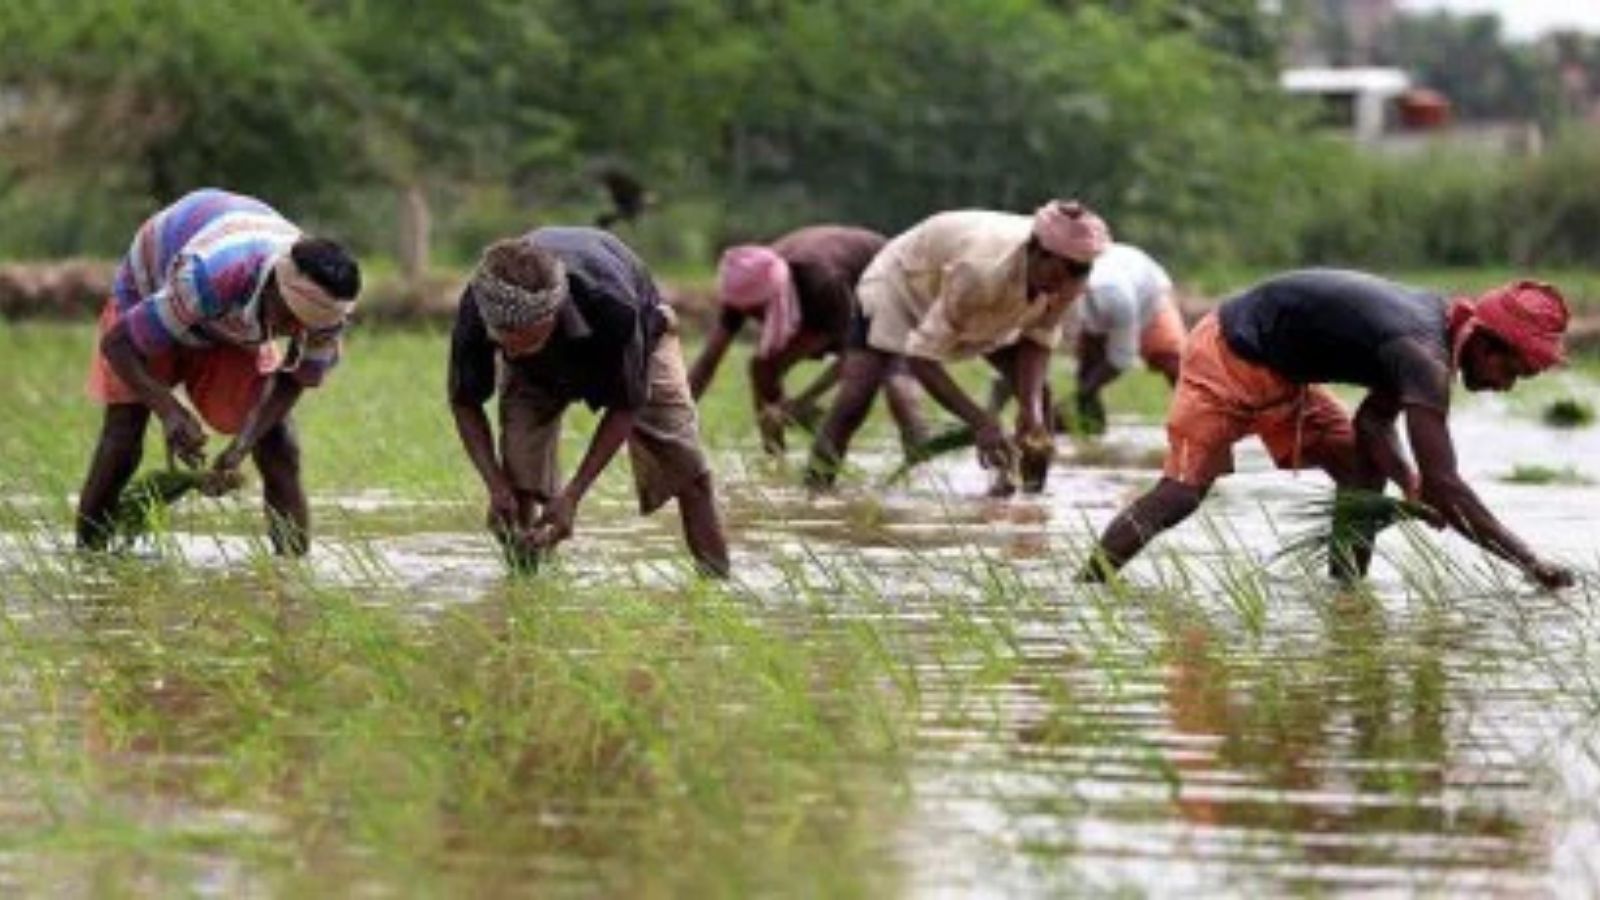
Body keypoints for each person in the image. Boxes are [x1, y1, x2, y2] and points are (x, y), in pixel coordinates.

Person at [1081, 270, 1576, 589]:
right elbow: (1446, 487)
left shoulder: (1436, 332)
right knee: (1182, 494)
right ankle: (1088, 586)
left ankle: (1345, 596)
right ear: (1487, 343)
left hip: (1283, 376)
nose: (1507, 386)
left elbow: (1374, 421)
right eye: (1512, 372)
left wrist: (1408, 483)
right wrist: (1530, 562)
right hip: (1228, 355)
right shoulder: (1423, 355)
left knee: (1359, 468)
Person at [77, 188, 362, 555]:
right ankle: (88, 559)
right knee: (124, 432)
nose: (295, 331)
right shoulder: (210, 274)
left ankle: (291, 574)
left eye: (305, 327)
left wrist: (244, 441)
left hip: (230, 319)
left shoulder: (326, 314)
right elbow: (118, 344)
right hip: (155, 287)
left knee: (279, 443)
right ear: (274, 289)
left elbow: (297, 378)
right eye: (290, 319)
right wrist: (168, 409)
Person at [447, 227, 730, 576]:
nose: (511, 351)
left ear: (550, 316)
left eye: (524, 339)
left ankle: (717, 581)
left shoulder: (614, 306)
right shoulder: (481, 305)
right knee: (519, 480)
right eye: (502, 341)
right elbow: (464, 401)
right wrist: (495, 485)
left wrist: (573, 496)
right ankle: (525, 587)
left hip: (642, 340)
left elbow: (627, 404)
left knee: (687, 468)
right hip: (534, 372)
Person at [805, 201, 1110, 494]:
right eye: (1055, 276)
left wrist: (1031, 413)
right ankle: (815, 492)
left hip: (980, 304)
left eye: (1073, 278)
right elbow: (920, 358)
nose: (1060, 288)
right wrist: (981, 422)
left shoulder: (1070, 278)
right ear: (1037, 252)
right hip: (902, 286)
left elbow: (1038, 339)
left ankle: (1027, 502)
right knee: (856, 395)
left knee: (1039, 403)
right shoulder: (981, 270)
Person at [687, 225, 927, 455]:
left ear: (773, 295)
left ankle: (921, 457)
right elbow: (708, 361)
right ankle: (774, 455)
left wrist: (804, 401)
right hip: (818, 306)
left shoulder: (822, 282)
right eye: (751, 313)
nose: (756, 319)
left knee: (895, 383)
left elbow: (851, 359)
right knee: (762, 367)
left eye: (760, 311)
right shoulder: (745, 284)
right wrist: (670, 417)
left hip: (887, 282)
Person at [987, 240, 1185, 434]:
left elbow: (1121, 359)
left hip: (1149, 298)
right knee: (1087, 371)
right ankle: (1089, 425)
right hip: (1100, 304)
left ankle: (1193, 422)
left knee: (1172, 362)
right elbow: (1022, 351)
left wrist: (1074, 398)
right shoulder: (1048, 293)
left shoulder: (1115, 298)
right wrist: (993, 414)